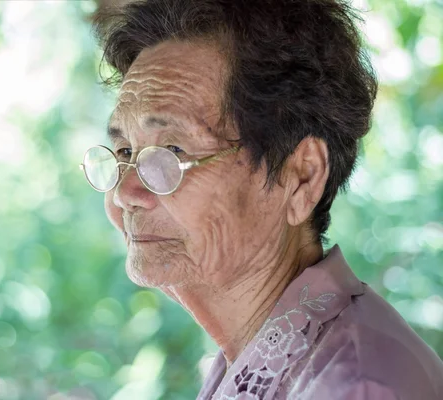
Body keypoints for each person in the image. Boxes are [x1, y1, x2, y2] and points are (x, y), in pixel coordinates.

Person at [80, 0, 443, 398]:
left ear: (302, 176)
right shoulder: (254, 358)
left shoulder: (355, 384)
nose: (126, 193)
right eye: (126, 153)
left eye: (173, 151)